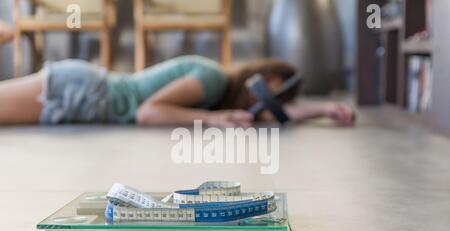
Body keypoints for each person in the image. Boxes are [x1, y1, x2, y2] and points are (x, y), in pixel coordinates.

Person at [0, 55, 355, 128]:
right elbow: (147, 113)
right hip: (82, 92)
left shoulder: (228, 95)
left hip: (88, 102)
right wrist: (211, 120)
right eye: (262, 89)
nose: (260, 100)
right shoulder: (213, 79)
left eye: (270, 97)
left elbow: (274, 113)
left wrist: (325, 110)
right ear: (256, 75)